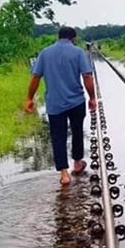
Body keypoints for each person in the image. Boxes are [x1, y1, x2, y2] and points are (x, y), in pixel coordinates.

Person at [25, 27, 97, 185]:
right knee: (77, 130)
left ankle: (64, 174)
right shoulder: (78, 52)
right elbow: (87, 76)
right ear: (74, 38)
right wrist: (92, 98)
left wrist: (29, 98)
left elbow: (35, 77)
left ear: (58, 37)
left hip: (54, 103)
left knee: (58, 136)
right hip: (76, 101)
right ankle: (77, 163)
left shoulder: (45, 53)